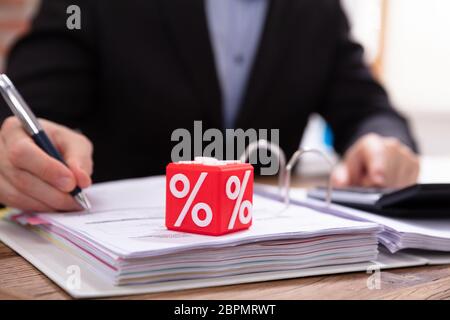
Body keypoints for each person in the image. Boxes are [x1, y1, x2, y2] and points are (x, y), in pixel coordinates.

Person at [0, 0, 419, 212]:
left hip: (272, 273)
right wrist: (16, 151)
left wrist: (379, 141)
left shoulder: (318, 9)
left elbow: (369, 107)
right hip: (111, 258)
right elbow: (28, 113)